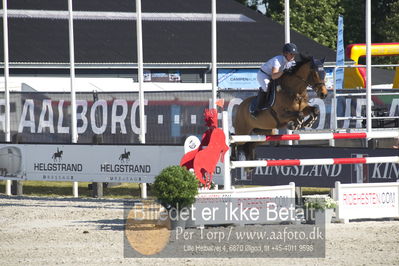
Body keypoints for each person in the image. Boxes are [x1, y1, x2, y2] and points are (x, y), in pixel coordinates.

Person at [251, 43, 299, 118]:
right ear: (285, 54)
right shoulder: (277, 60)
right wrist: (283, 71)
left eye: (294, 54)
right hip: (264, 75)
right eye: (291, 54)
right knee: (267, 88)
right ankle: (257, 108)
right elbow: (273, 76)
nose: (293, 56)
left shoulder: (292, 63)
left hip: (277, 76)